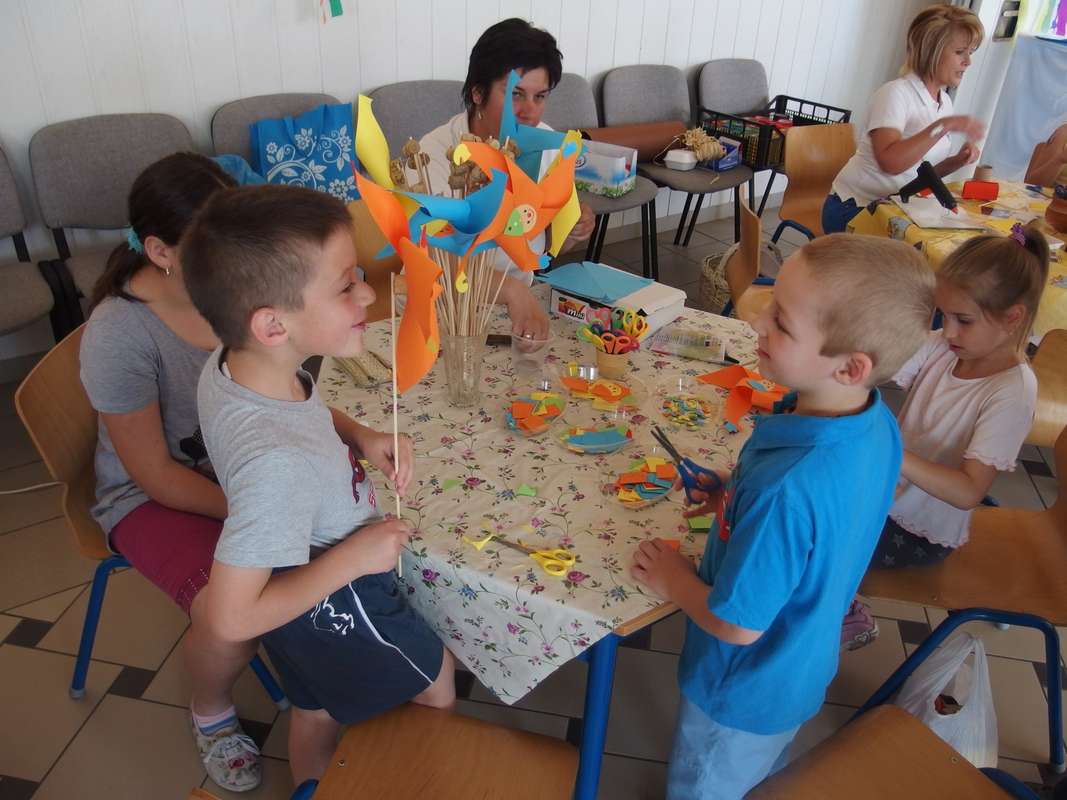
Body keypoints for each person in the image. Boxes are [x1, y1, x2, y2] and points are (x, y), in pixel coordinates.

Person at [630, 235, 936, 799]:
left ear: (850, 368)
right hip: (799, 664)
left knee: (707, 783)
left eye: (783, 323)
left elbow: (738, 626)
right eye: (771, 301)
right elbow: (828, 521)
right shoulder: (873, 422)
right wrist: (733, 491)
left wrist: (673, 580)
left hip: (742, 689)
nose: (756, 322)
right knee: (755, 771)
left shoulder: (787, 490)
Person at [182, 184, 455, 785]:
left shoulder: (237, 363)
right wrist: (355, 559)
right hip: (335, 589)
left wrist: (357, 434)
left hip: (293, 581)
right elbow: (230, 619)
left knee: (315, 706)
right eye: (344, 285)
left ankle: (308, 784)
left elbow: (294, 413)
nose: (367, 293)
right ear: (273, 324)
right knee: (436, 685)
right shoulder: (275, 466)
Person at [79, 153, 262, 792]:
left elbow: (281, 382)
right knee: (232, 610)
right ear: (160, 251)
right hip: (146, 497)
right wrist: (251, 508)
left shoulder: (225, 290)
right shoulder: (118, 334)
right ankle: (211, 710)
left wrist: (352, 434)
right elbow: (154, 474)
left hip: (234, 468)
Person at [844, 224, 1049, 647]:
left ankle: (848, 613)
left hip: (917, 529)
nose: (948, 330)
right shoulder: (947, 346)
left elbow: (968, 491)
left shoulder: (1012, 392)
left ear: (1013, 318)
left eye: (963, 320)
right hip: (886, 491)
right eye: (944, 315)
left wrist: (892, 451)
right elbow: (882, 366)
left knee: (820, 536)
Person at [418, 17, 596, 339]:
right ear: (477, 93)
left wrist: (571, 231)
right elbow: (437, 263)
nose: (529, 111)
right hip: (443, 310)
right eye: (516, 94)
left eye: (540, 96)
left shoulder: (545, 143)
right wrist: (513, 290)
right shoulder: (431, 156)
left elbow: (542, 246)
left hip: (515, 308)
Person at [823, 5, 987, 233]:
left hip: (892, 207)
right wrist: (942, 126)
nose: (968, 61)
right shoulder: (895, 93)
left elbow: (919, 173)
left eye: (971, 52)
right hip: (854, 208)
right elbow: (891, 163)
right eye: (960, 52)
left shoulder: (943, 102)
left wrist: (958, 161)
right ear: (931, 52)